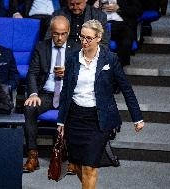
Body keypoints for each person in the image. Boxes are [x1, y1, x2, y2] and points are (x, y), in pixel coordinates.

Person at [57, 19, 144, 189]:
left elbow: (126, 88)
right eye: (82, 37)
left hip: (99, 119)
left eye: (89, 38)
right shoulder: (73, 58)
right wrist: (61, 121)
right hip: (75, 118)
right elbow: (66, 92)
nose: (84, 41)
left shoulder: (110, 59)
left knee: (90, 167)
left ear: (99, 37)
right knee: (78, 165)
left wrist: (137, 117)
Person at [23, 15, 80, 173]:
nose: (59, 38)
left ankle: (72, 158)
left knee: (78, 110)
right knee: (29, 108)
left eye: (63, 34)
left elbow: (84, 75)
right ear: (51, 32)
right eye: (56, 33)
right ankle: (32, 156)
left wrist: (68, 73)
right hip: (47, 93)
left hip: (69, 94)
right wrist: (33, 93)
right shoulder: (41, 47)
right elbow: (32, 73)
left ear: (68, 32)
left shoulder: (77, 49)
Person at [94, 0, 142, 66]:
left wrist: (119, 8)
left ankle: (118, 67)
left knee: (125, 40)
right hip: (100, 24)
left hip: (122, 24)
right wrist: (93, 7)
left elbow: (138, 11)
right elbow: (80, 8)